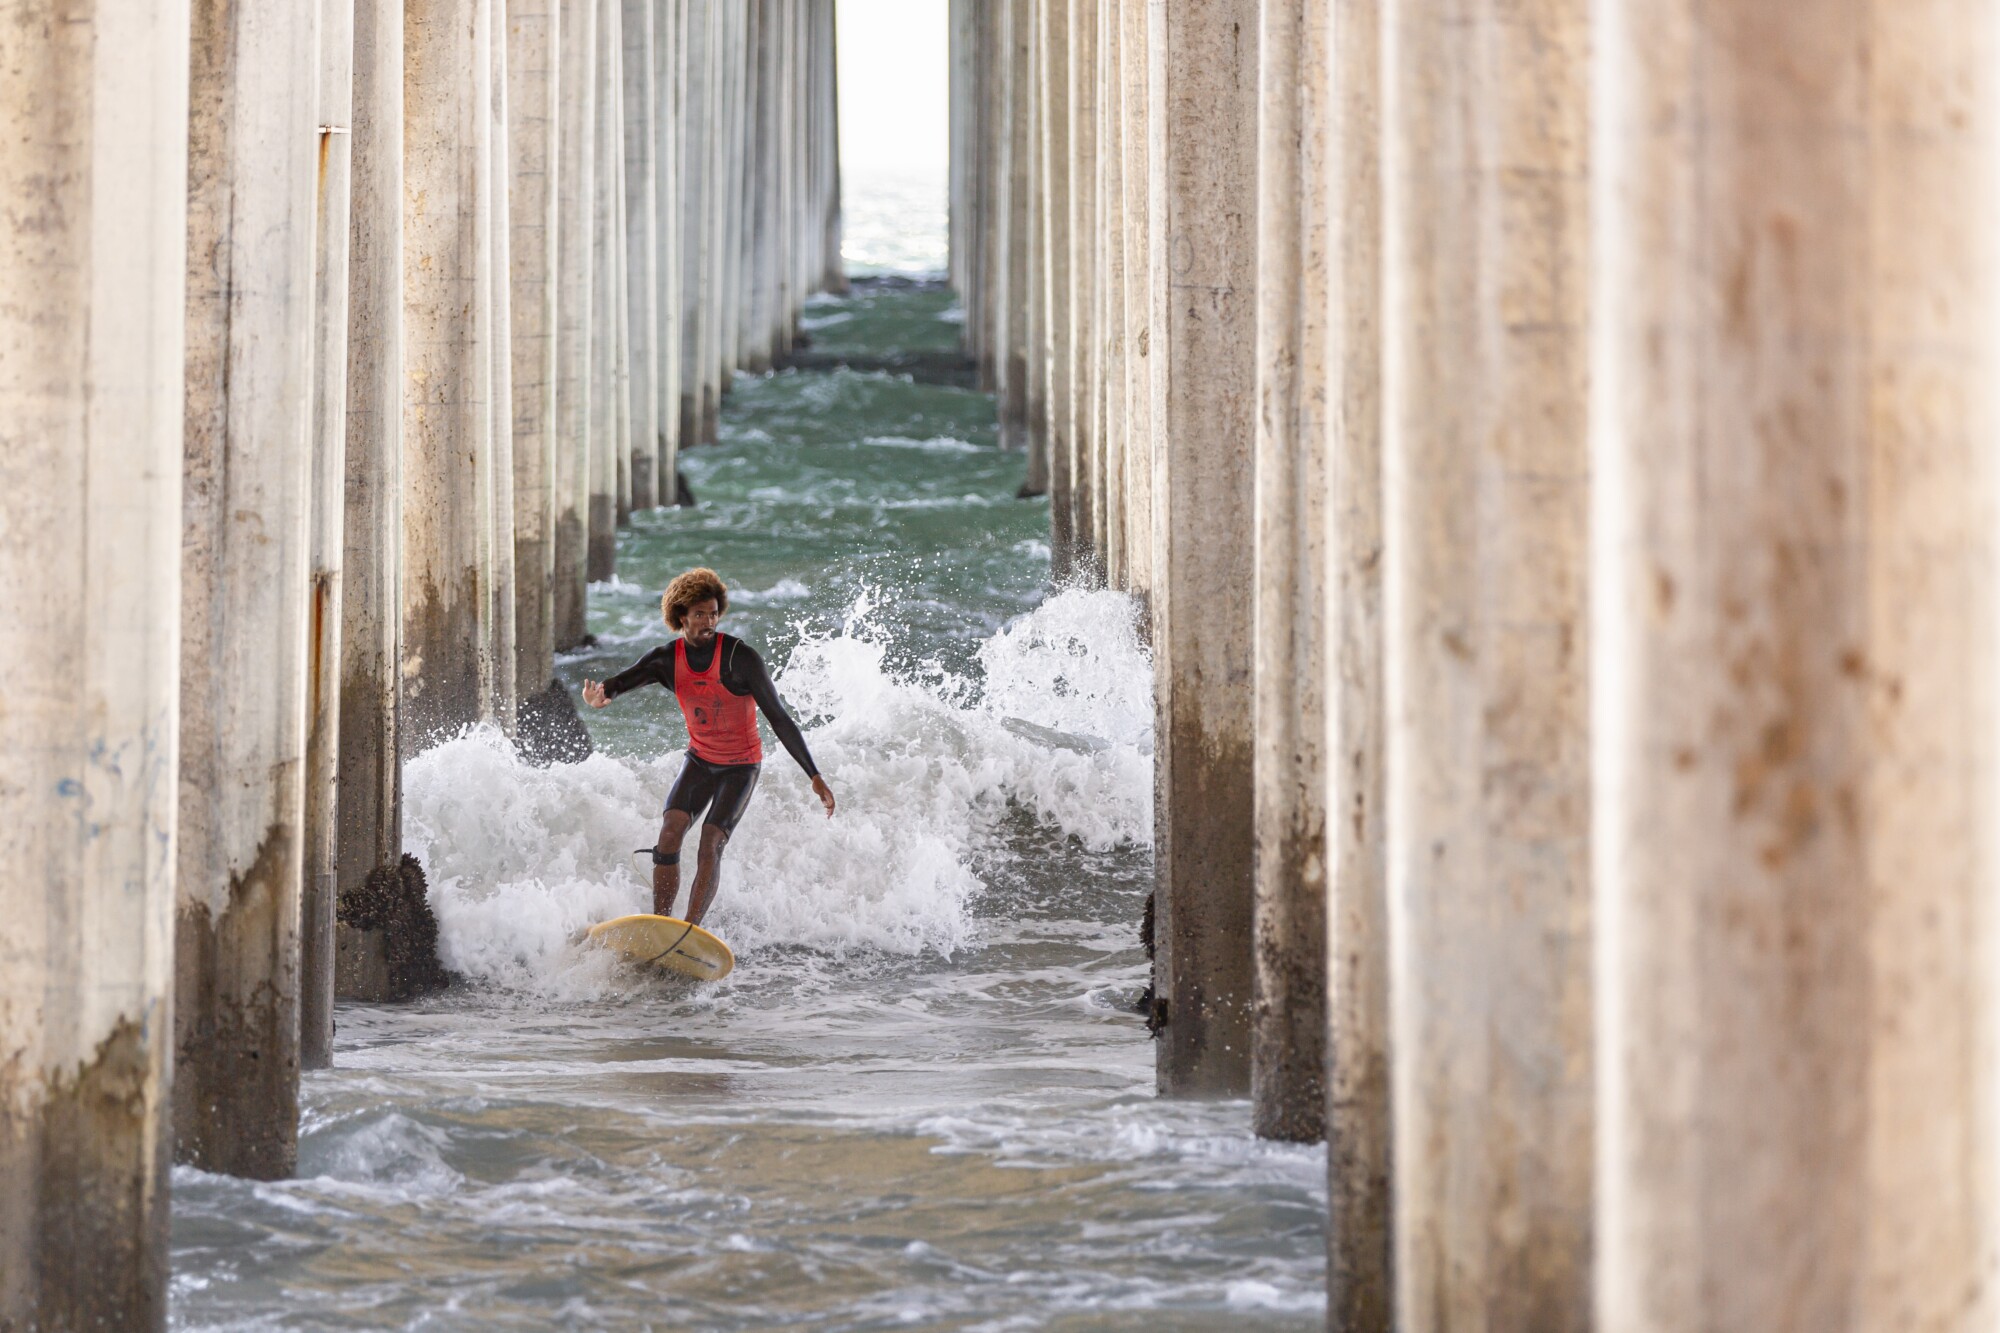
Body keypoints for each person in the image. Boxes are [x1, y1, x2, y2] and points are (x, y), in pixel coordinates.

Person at [583, 567, 834, 926]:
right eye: (700, 614)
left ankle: (689, 930)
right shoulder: (666, 659)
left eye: (713, 613)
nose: (708, 621)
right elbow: (622, 681)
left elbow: (779, 717)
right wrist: (601, 695)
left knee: (710, 843)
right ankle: (662, 925)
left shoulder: (739, 658)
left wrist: (814, 774)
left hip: (741, 766)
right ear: (680, 616)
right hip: (700, 761)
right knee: (669, 835)